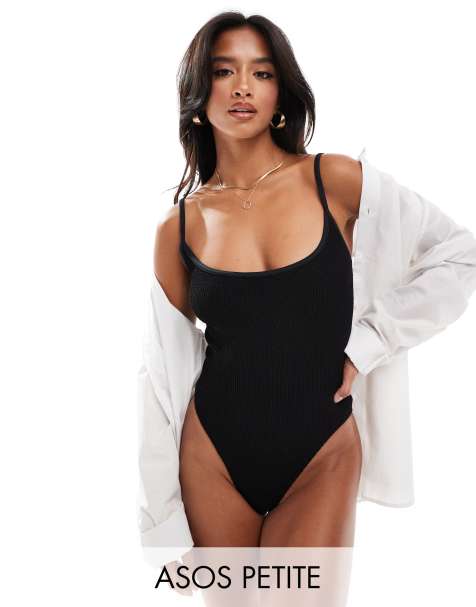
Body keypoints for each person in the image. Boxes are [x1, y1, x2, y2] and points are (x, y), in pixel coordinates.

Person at [143, 11, 476, 553]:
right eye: (224, 71)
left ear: (281, 93)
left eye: (262, 73)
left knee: (296, 595)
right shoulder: (179, 227)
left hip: (323, 453)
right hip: (211, 460)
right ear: (199, 95)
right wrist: (160, 524)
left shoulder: (335, 181)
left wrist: (372, 341)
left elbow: (461, 255)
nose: (243, 86)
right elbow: (160, 378)